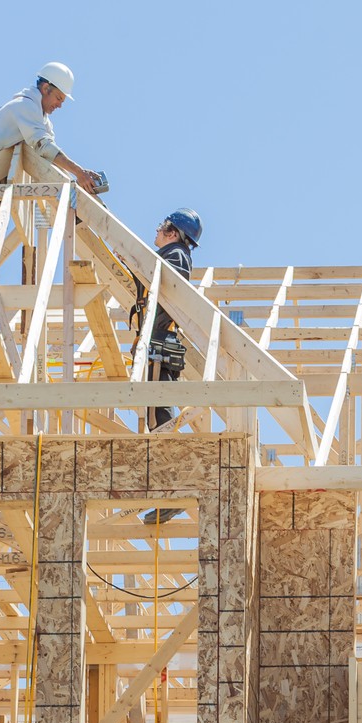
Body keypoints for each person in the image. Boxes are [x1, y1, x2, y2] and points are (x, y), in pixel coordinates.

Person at [0, 62, 102, 272]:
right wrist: (78, 173)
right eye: (58, 98)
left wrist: (75, 182)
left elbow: (49, 158)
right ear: (46, 88)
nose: (60, 105)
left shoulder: (41, 118)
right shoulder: (25, 106)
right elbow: (43, 146)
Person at [136, 208, 202, 523]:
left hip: (159, 347)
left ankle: (178, 487)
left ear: (173, 232)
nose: (157, 231)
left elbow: (162, 283)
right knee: (156, 419)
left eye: (162, 227)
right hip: (159, 346)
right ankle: (172, 488)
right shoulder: (174, 256)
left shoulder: (174, 256)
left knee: (159, 418)